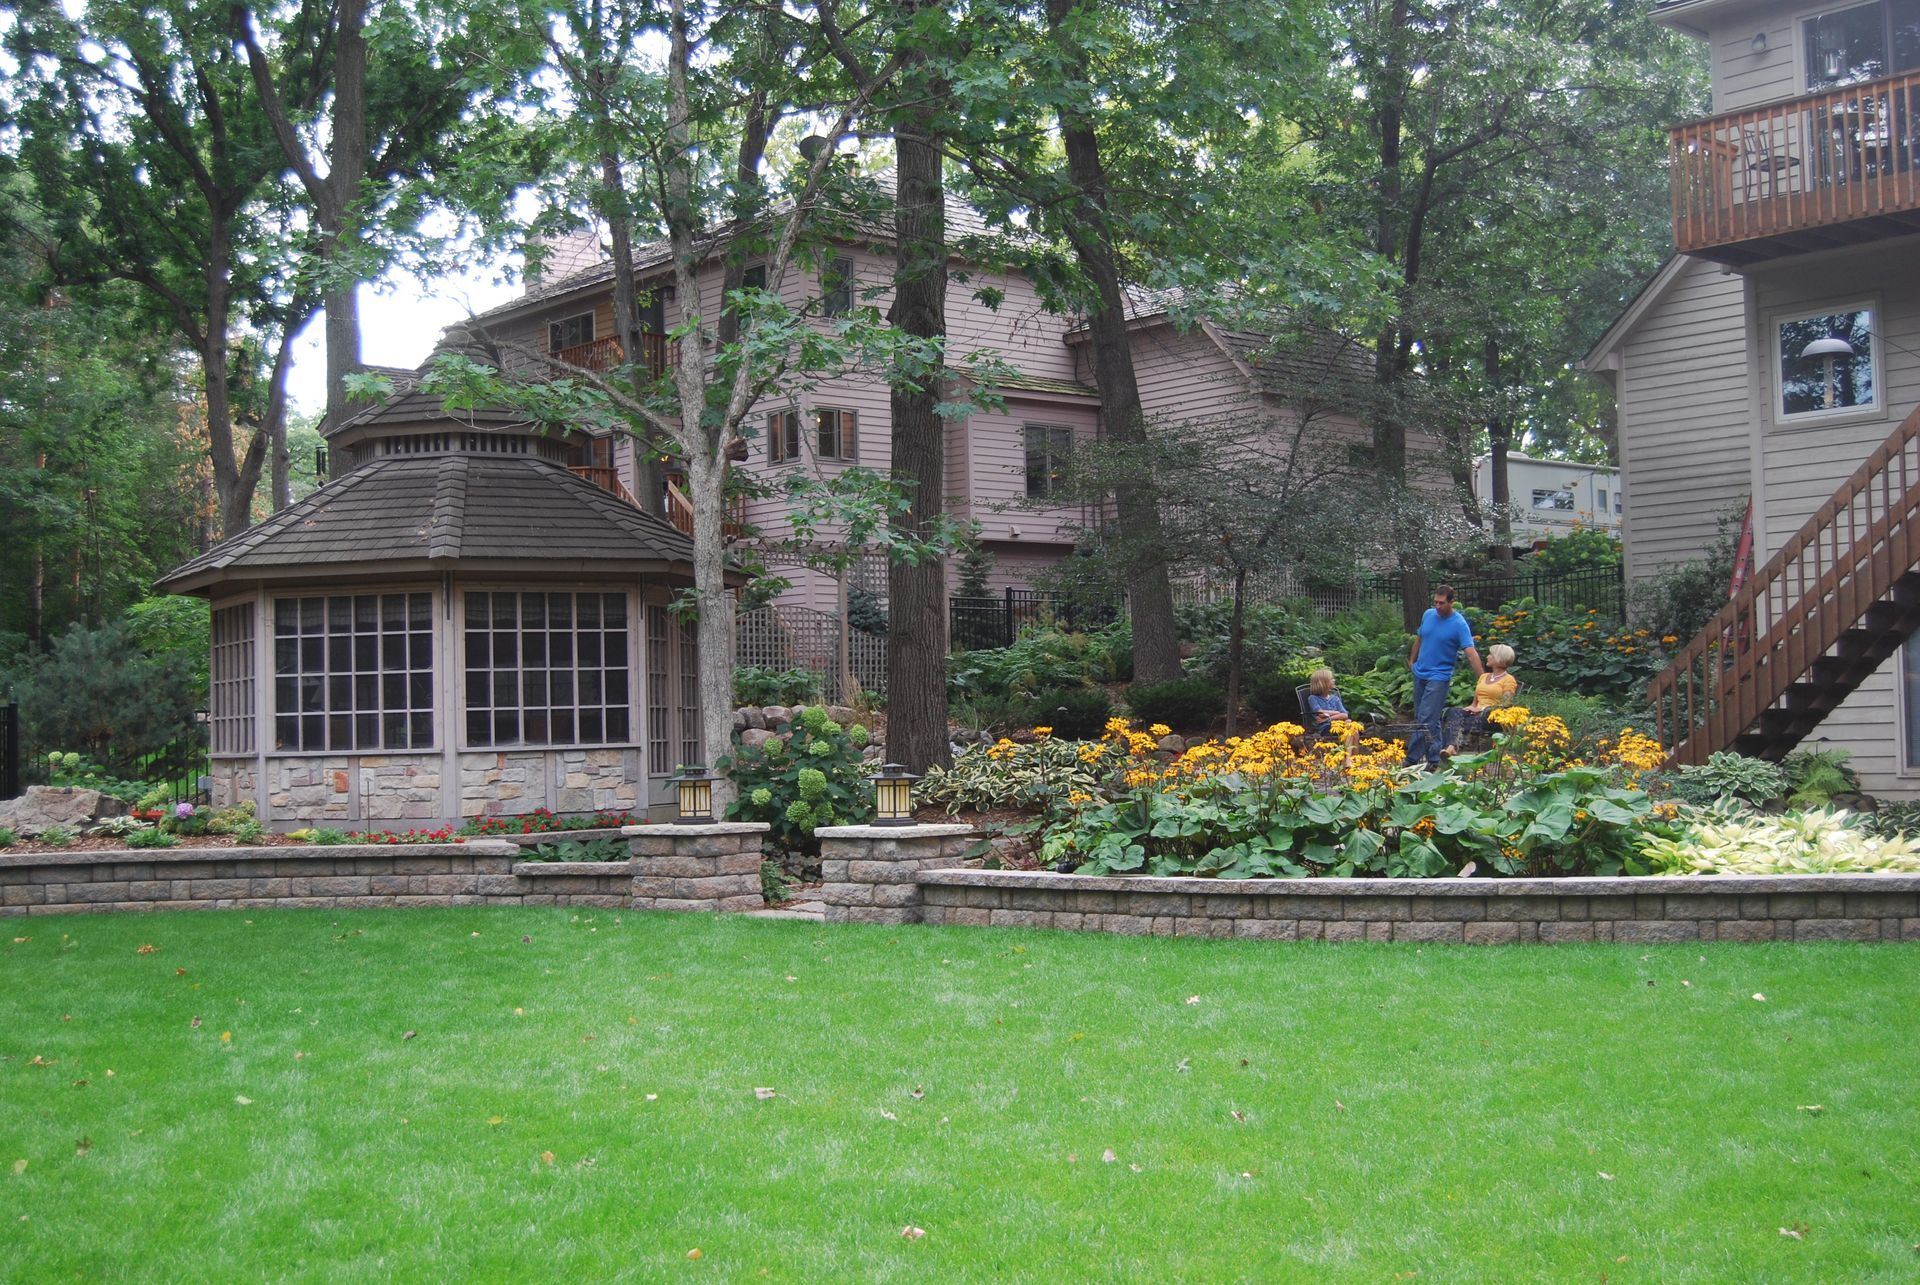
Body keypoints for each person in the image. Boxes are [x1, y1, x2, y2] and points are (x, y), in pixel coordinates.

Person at [1405, 585, 1483, 770]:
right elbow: (1419, 638)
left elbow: (1470, 652)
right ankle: (1434, 759)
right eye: (1435, 602)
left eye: (1442, 603)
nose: (1438, 606)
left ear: (1451, 602)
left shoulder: (1459, 624)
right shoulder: (1428, 614)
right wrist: (1412, 661)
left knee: (1425, 718)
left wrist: (1482, 678)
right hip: (1420, 673)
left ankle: (1411, 760)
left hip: (1439, 676)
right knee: (1426, 718)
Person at [1443, 643, 1518, 754]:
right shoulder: (1483, 677)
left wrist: (1482, 709)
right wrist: (1471, 708)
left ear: (1499, 658)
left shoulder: (1509, 680)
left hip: (1492, 716)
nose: (1487, 656)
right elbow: (1475, 703)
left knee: (1457, 722)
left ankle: (1451, 748)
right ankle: (1452, 747)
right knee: (1452, 712)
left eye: (1490, 654)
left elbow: (1506, 704)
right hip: (1476, 714)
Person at [1306, 667, 1362, 747]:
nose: (1334, 680)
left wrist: (1327, 719)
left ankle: (1352, 758)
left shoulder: (1335, 698)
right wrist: (1337, 712)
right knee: (1349, 730)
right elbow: (1321, 713)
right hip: (1326, 728)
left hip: (1339, 724)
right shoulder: (1313, 698)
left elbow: (1345, 715)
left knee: (1353, 730)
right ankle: (1348, 758)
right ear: (1323, 683)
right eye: (1331, 679)